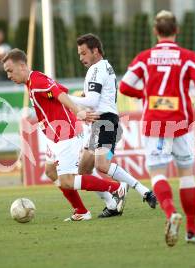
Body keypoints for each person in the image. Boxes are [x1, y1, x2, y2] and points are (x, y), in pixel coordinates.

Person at [119, 10, 195, 246]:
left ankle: (171, 211)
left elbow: (124, 86)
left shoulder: (144, 57)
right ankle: (192, 230)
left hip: (155, 124)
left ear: (155, 31)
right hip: (181, 123)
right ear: (177, 30)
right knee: (187, 176)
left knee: (158, 174)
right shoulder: (187, 56)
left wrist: (145, 94)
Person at [2, 48, 128, 221]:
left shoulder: (37, 81)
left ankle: (116, 188)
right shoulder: (33, 81)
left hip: (65, 134)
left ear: (22, 66)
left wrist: (78, 112)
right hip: (54, 137)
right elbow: (60, 89)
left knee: (68, 180)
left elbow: (59, 93)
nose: (9, 75)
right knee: (51, 171)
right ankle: (81, 211)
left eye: (10, 71)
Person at [65, 33, 157, 218]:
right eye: (79, 54)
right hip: (100, 126)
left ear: (95, 50)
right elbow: (94, 98)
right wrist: (81, 99)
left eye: (84, 53)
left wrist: (63, 97)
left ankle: (142, 190)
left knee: (102, 164)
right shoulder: (104, 66)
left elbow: (92, 99)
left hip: (105, 123)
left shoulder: (97, 69)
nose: (81, 58)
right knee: (83, 170)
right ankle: (112, 203)